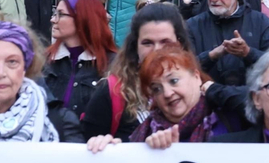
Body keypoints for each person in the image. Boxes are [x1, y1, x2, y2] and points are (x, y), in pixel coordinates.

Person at [82, 3, 193, 140]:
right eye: (147, 43)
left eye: (165, 42)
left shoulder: (199, 90)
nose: (157, 50)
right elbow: (86, 146)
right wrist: (102, 145)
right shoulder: (112, 92)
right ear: (135, 47)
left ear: (180, 43)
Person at [86, 48, 229, 150]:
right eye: (156, 89)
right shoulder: (144, 135)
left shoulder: (230, 118)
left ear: (196, 77)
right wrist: (112, 152)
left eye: (173, 81)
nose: (167, 93)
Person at [187, 0, 269, 87]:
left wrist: (248, 53)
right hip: (206, 101)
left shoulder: (260, 22)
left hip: (249, 101)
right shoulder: (193, 25)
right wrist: (211, 56)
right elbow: (184, 69)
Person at [44, 0, 116, 123]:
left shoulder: (113, 64)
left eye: (61, 14)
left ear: (82, 18)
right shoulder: (44, 60)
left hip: (92, 141)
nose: (53, 19)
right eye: (55, 13)